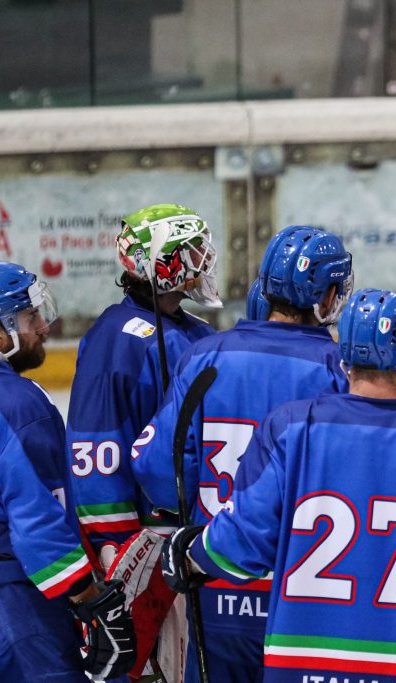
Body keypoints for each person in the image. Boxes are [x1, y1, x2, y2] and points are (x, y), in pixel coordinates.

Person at [159, 287, 396, 683]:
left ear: (344, 353)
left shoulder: (288, 427)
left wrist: (191, 555)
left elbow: (239, 545)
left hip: (300, 666)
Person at [132, 225, 354, 681]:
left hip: (214, 585)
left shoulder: (205, 356)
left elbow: (157, 470)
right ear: (327, 295)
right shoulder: (339, 371)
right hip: (309, 598)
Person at [66, 204, 221, 679]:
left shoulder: (190, 333)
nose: (205, 258)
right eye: (192, 250)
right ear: (162, 262)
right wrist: (115, 551)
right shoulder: (118, 338)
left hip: (185, 537)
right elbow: (95, 452)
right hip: (148, 541)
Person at [0, 262, 136, 681]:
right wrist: (88, 596)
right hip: (14, 608)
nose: (44, 327)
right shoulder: (18, 404)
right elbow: (38, 521)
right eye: (30, 317)